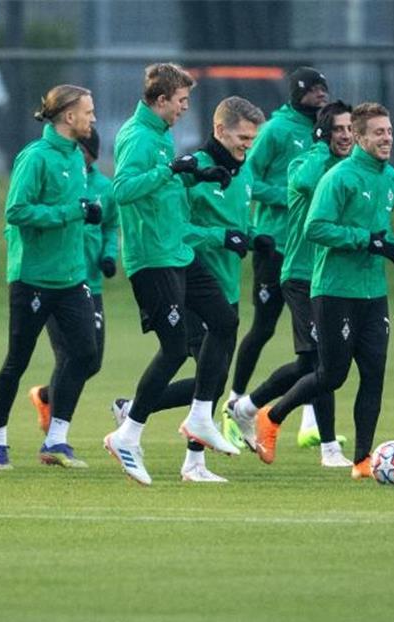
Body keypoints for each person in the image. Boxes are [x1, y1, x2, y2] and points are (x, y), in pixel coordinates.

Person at [237, 102, 394, 479]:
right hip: (333, 288)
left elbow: (380, 228)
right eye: (378, 133)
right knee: (331, 373)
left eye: (390, 132)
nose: (386, 138)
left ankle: (363, 460)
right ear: (362, 138)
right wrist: (365, 241)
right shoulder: (339, 177)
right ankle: (273, 414)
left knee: (374, 373)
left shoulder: (392, 178)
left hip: (373, 291)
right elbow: (315, 227)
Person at [111, 96, 263, 482]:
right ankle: (136, 422)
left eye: (252, 138)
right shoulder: (162, 149)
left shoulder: (239, 172)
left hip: (219, 280)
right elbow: (168, 218)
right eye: (243, 136)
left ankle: (192, 458)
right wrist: (219, 237)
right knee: (188, 358)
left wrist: (253, 238)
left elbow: (236, 222)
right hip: (177, 270)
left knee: (213, 370)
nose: (248, 144)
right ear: (219, 130)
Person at [227, 100, 354, 468]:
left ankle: (248, 406)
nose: (345, 136)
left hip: (329, 275)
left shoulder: (350, 167)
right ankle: (328, 448)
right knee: (320, 361)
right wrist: (318, 148)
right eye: (338, 130)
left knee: (310, 364)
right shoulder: (307, 162)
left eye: (350, 130)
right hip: (299, 272)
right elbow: (303, 182)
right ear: (323, 133)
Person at [0, 85, 102, 470]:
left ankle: (56, 440)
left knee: (85, 353)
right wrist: (72, 211)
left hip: (71, 276)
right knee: (18, 359)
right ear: (69, 117)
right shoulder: (35, 157)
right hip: (33, 275)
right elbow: (17, 211)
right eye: (89, 111)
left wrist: (89, 212)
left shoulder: (76, 158)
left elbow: (75, 209)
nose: (93, 118)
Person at [224, 66, 331, 450]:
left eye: (325, 88)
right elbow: (248, 177)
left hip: (310, 251)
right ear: (297, 92)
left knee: (315, 343)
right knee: (264, 328)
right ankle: (234, 401)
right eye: (314, 89)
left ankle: (311, 422)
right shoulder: (275, 130)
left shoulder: (324, 132)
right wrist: (290, 196)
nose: (321, 94)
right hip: (276, 246)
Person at [27, 129, 120, 437]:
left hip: (90, 284)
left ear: (92, 156)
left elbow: (110, 227)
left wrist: (108, 255)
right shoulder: (61, 181)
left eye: (85, 154)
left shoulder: (103, 188)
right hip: (59, 279)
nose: (80, 158)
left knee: (91, 361)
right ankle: (57, 433)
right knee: (69, 355)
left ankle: (45, 397)